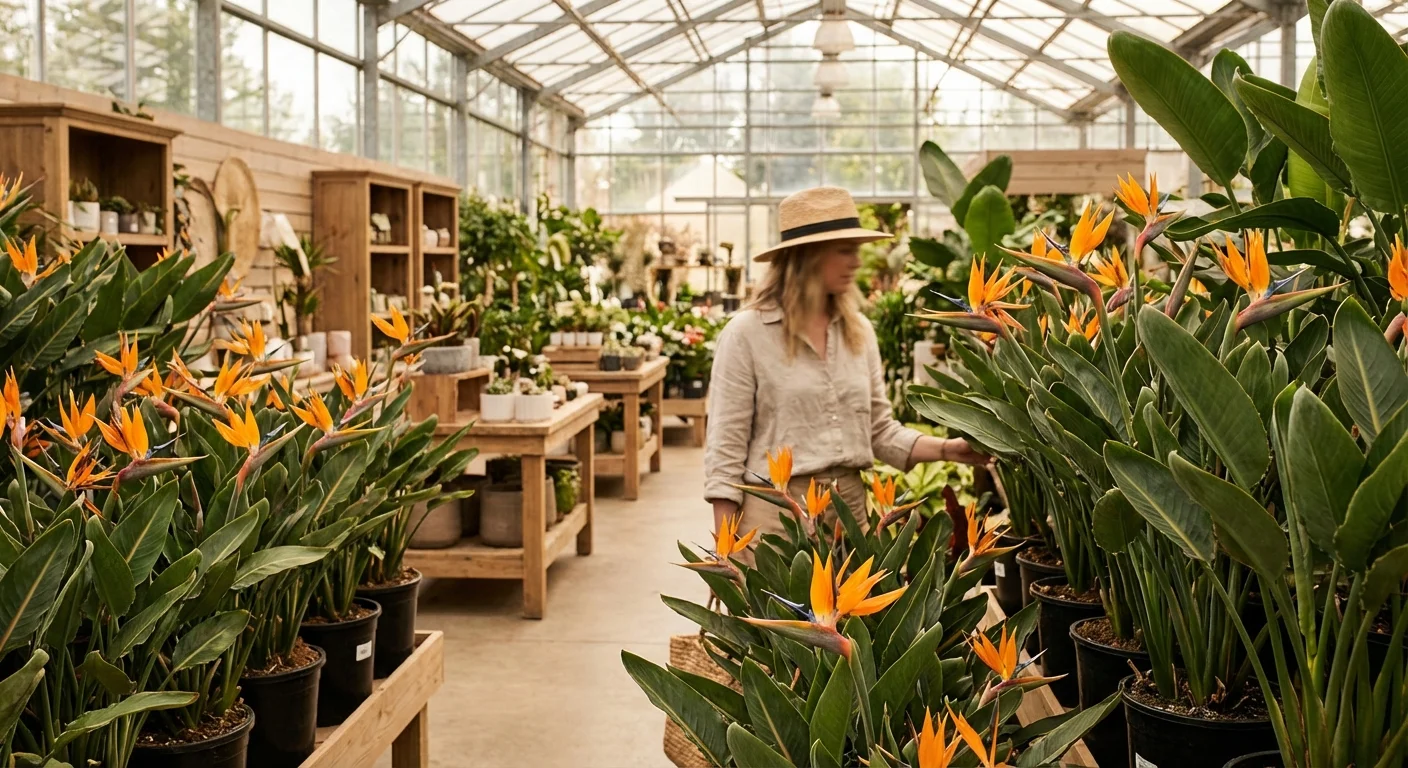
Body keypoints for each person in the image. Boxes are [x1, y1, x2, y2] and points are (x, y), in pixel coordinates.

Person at [704, 186, 989, 537]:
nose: (856, 261)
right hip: (777, 519)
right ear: (806, 256)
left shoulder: (858, 332)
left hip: (848, 513)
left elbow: (879, 431)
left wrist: (949, 450)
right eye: (844, 251)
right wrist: (725, 555)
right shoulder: (746, 334)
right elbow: (725, 452)